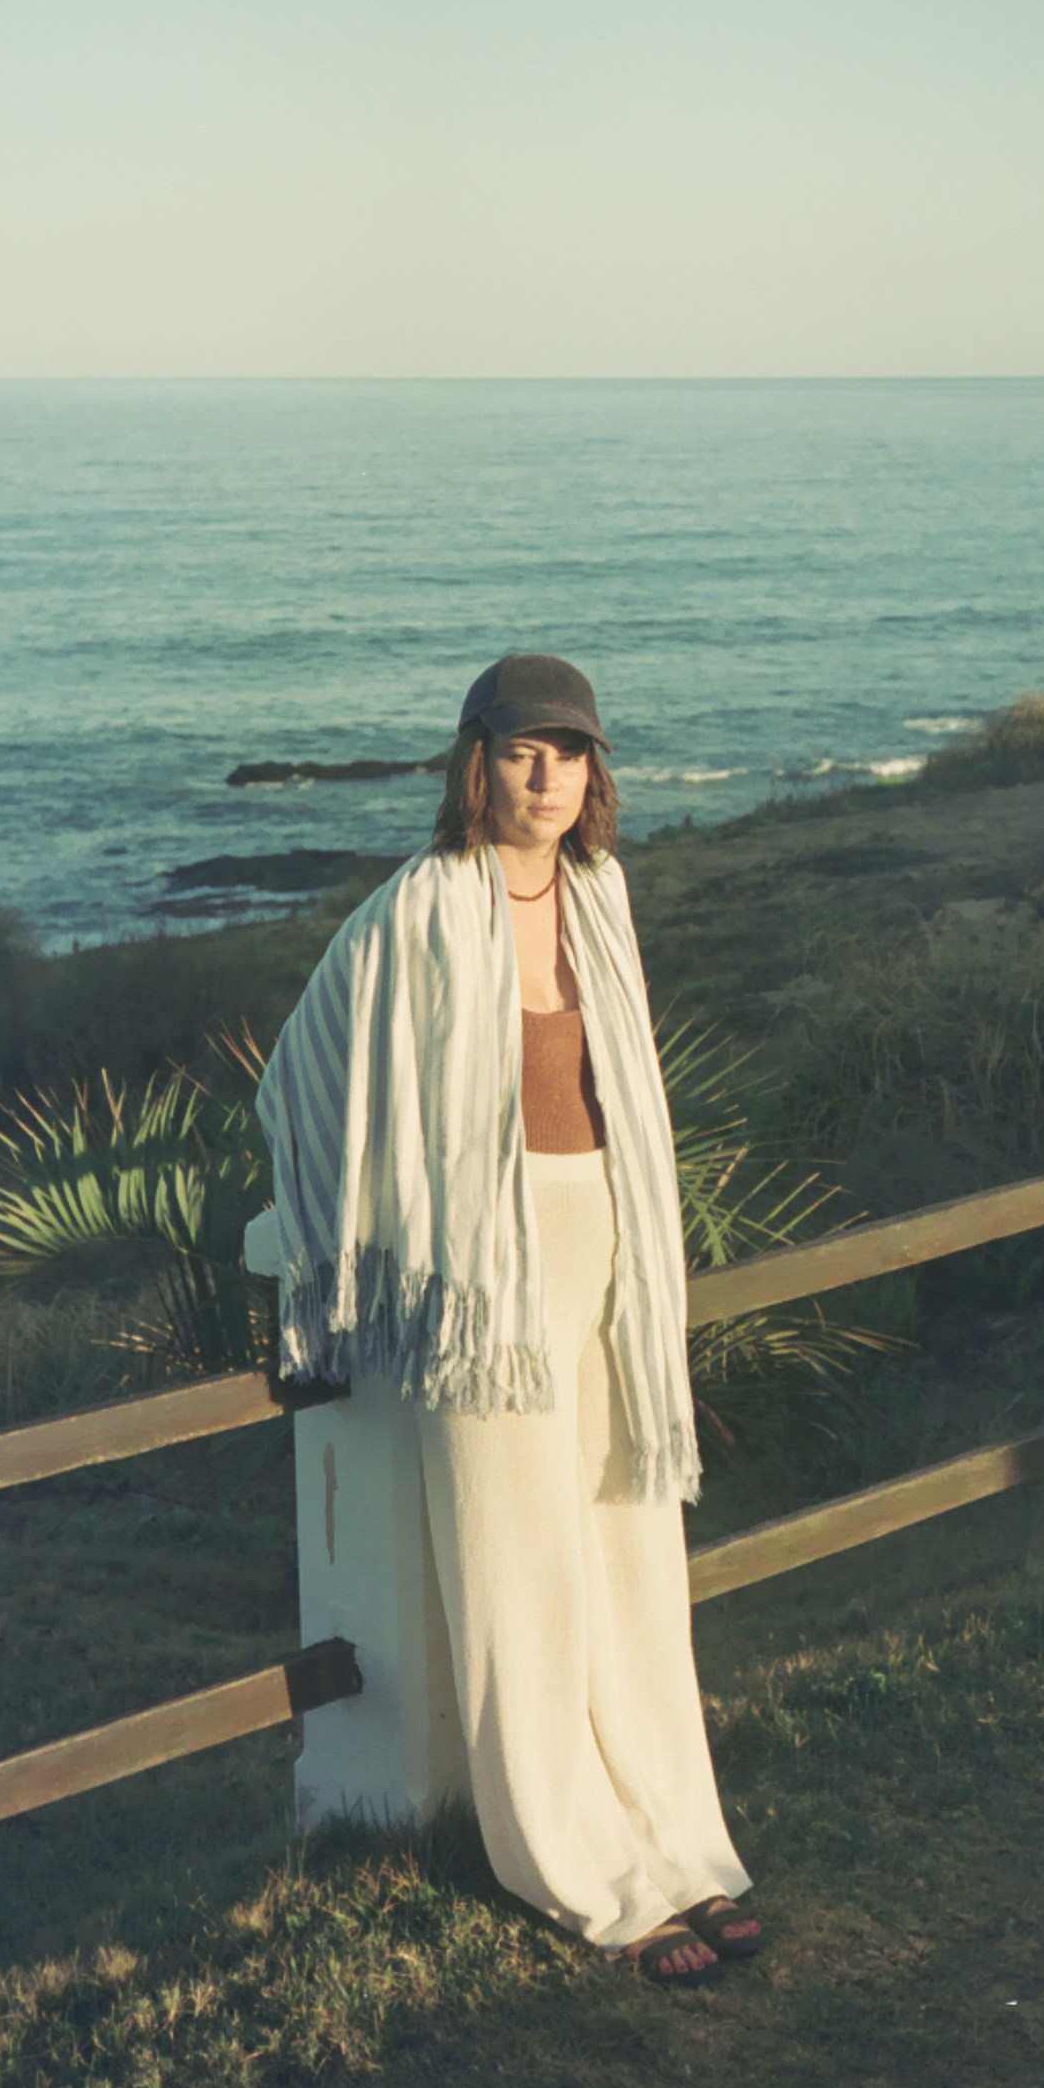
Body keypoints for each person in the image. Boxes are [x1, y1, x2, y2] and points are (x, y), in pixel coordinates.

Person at [256, 651, 761, 1985]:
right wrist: (370, 1254)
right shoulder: (421, 905)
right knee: (519, 1568)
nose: (545, 777)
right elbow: (303, 1065)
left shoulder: (600, 894)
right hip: (482, 1279)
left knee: (623, 1553)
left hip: (605, 1251)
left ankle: (671, 1839)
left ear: (595, 774)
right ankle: (580, 1870)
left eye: (570, 754)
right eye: (520, 751)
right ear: (472, 762)